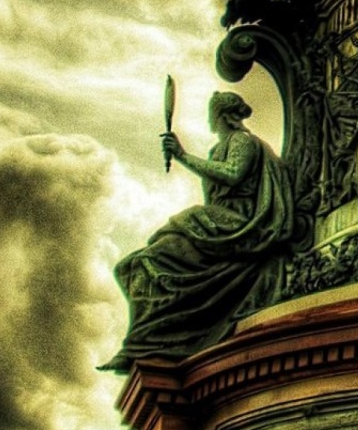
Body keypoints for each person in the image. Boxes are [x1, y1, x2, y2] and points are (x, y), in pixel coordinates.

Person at [104, 90, 294, 368]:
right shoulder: (217, 148)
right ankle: (144, 341)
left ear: (221, 116)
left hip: (237, 224)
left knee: (148, 261)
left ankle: (145, 342)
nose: (210, 119)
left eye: (212, 113)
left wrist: (181, 156)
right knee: (130, 267)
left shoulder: (242, 141)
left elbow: (232, 175)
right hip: (215, 224)